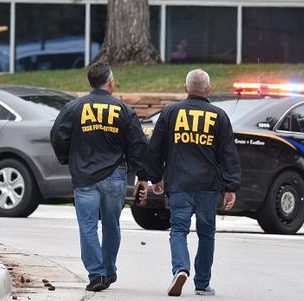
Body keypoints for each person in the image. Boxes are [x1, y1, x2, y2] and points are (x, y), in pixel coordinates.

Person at [137, 69, 241, 297]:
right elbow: (228, 154)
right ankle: (202, 283)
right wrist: (231, 187)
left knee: (178, 230)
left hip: (179, 184)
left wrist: (155, 177)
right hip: (208, 186)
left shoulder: (171, 112)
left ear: (186, 89)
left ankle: (181, 269)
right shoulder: (219, 116)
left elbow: (155, 148)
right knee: (206, 234)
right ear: (208, 89)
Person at [50, 61, 149, 292]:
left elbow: (57, 136)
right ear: (111, 82)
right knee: (111, 226)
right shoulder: (123, 110)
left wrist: (68, 159)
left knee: (87, 227)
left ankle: (97, 275)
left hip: (84, 178)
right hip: (115, 176)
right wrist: (142, 176)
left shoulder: (74, 108)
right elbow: (138, 145)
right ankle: (109, 269)